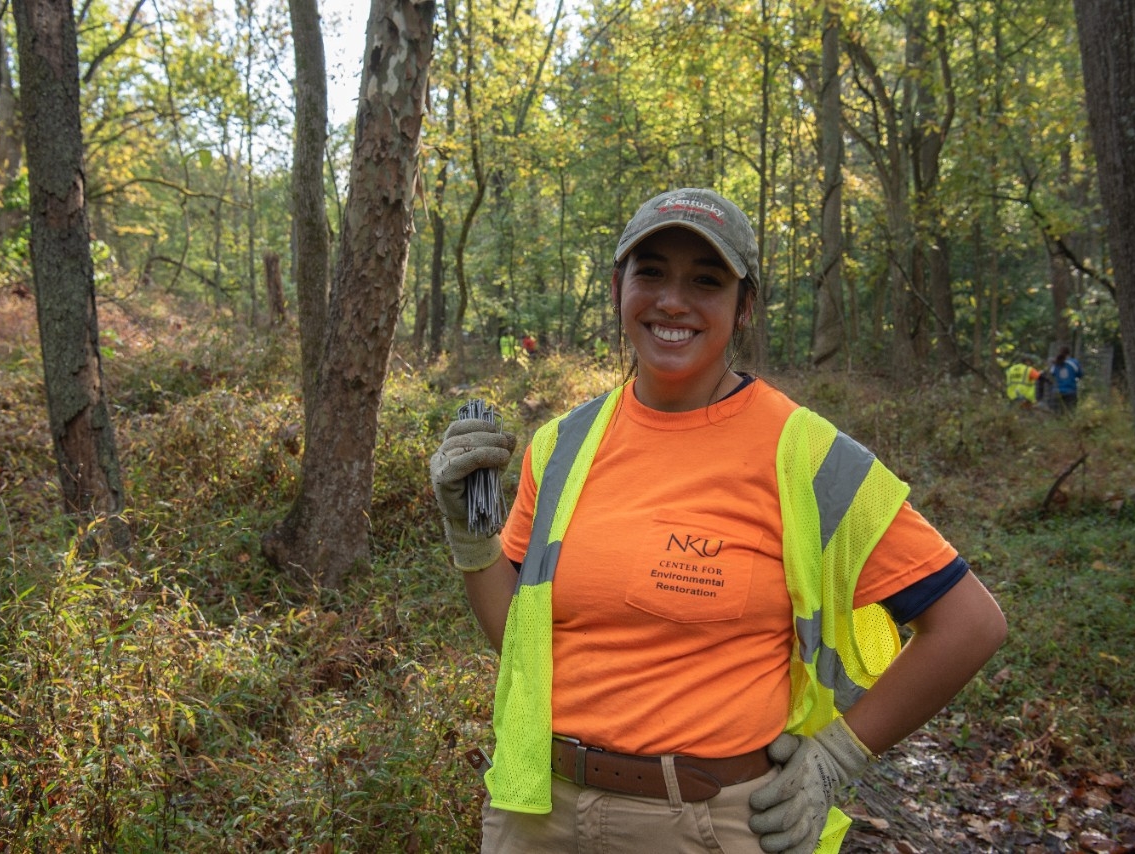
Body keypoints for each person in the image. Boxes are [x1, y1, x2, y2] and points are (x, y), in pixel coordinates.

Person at [430, 188, 1006, 854]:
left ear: (744, 306)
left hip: (706, 824)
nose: (673, 302)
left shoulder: (806, 454)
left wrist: (835, 756)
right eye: (651, 273)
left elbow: (970, 624)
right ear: (618, 288)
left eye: (706, 281)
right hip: (536, 812)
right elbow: (519, 640)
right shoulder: (561, 445)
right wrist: (473, 544)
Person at [1049, 346, 1083, 412]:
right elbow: (1080, 374)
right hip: (1070, 392)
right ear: (1069, 353)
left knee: (1056, 414)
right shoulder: (1074, 363)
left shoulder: (1056, 363)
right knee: (1070, 413)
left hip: (1057, 392)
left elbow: (1052, 374)